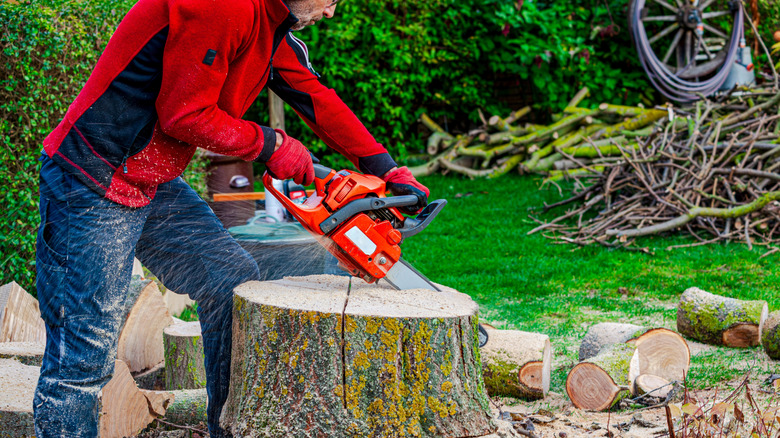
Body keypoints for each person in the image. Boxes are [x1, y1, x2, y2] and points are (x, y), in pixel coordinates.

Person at [33, 0, 429, 436]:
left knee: (229, 276)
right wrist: (274, 145)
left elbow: (317, 98)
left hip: (150, 176)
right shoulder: (223, 5)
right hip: (92, 175)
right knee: (82, 355)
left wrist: (385, 169)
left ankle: (227, 429)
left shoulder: (271, 23)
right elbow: (184, 114)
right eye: (330, 0)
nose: (330, 12)